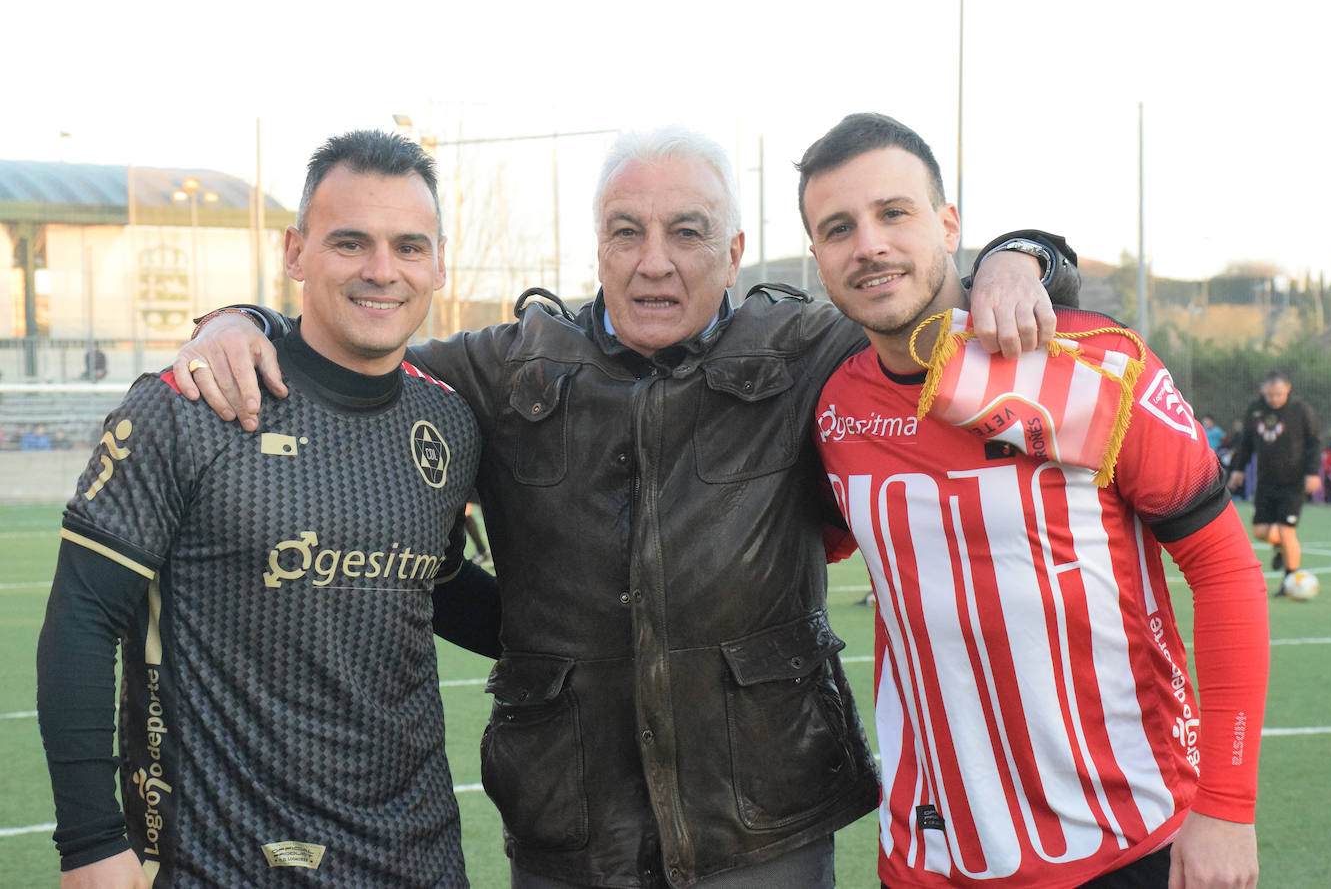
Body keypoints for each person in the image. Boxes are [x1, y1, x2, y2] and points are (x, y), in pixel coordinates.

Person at [170, 125, 1080, 888]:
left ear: (731, 252)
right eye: (625, 232)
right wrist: (244, 318)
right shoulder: (501, 367)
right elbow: (351, 353)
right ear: (594, 247)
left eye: (687, 233)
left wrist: (1018, 256)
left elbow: (924, 286)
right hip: (571, 827)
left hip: (766, 826)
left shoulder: (809, 345)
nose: (653, 264)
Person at [799, 112, 1268, 889]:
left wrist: (1226, 806)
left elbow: (1225, 571)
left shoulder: (1092, 363)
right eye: (838, 228)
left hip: (1124, 842)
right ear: (818, 255)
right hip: (927, 855)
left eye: (894, 214)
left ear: (949, 225)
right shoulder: (830, 407)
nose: (869, 245)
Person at [36, 130, 501, 888]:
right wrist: (90, 845)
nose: (382, 271)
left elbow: (434, 585)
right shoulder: (192, 402)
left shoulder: (448, 423)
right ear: (296, 253)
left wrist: (597, 639)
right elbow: (83, 622)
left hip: (417, 857)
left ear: (438, 262)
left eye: (409, 247)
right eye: (350, 243)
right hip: (222, 861)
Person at [1226, 370, 1322, 592]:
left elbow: (1314, 443)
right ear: (1263, 391)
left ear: (1287, 389)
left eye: (1278, 394)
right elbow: (1246, 443)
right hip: (1266, 482)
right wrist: (1238, 470)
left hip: (1293, 482)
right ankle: (1279, 546)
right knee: (1260, 532)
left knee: (1287, 530)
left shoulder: (1301, 410)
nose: (1274, 399)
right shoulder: (1255, 410)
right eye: (1270, 395)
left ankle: (1289, 582)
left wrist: (1312, 472)